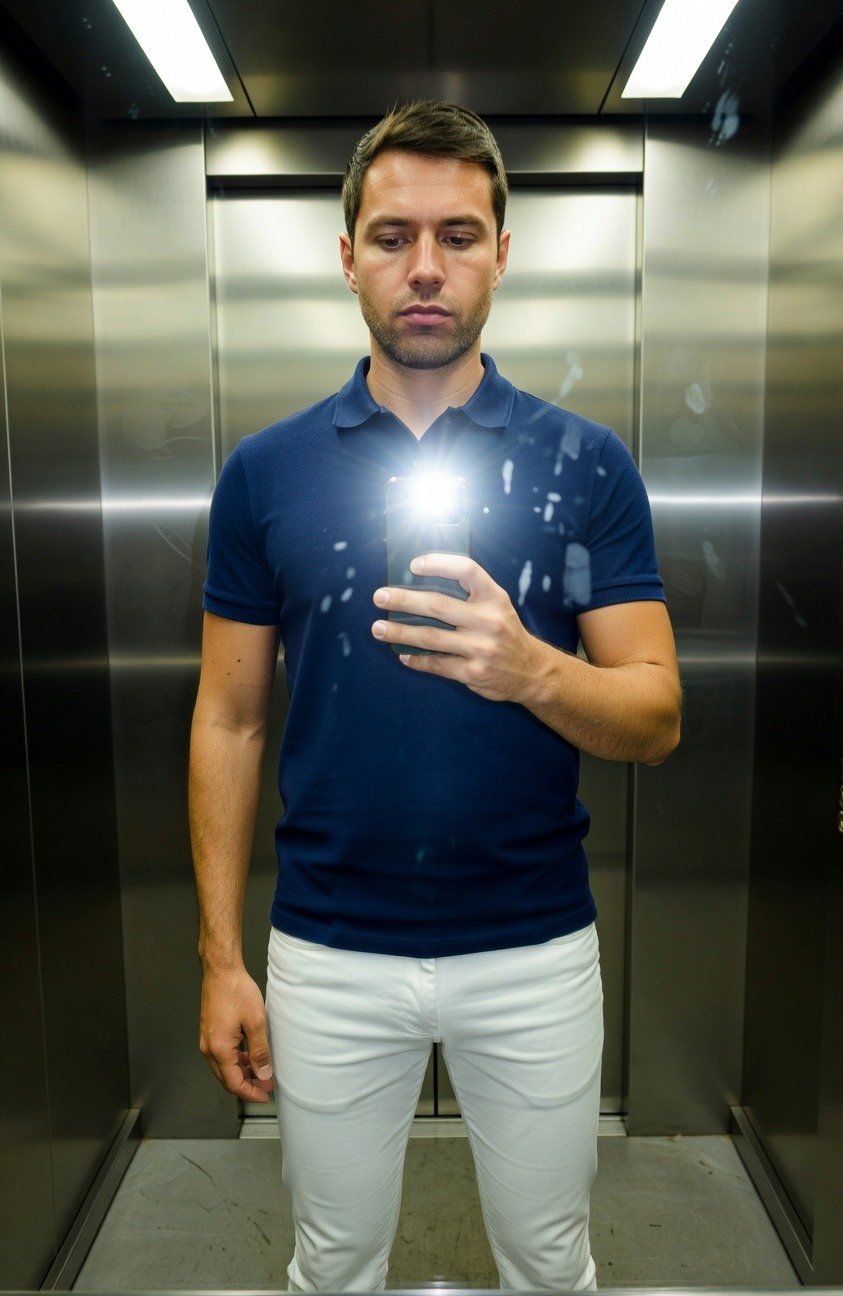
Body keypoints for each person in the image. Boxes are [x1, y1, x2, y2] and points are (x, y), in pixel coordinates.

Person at [190, 100, 681, 1293]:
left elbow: (656, 713)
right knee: (334, 1260)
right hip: (329, 947)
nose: (425, 268)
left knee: (550, 1261)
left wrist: (528, 668)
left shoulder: (587, 463)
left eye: (458, 236)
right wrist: (220, 958)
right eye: (393, 234)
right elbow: (231, 719)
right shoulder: (265, 472)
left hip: (533, 944)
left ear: (502, 255)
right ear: (346, 252)